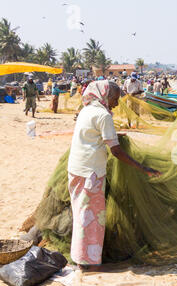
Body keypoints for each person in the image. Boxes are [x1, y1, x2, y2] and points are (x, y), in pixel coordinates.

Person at [67, 80, 161, 272]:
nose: (117, 103)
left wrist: (115, 135)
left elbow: (94, 135)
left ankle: (79, 259)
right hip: (90, 174)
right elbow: (116, 151)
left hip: (76, 169)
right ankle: (88, 263)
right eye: (115, 99)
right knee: (91, 219)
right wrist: (142, 167)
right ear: (104, 95)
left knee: (80, 214)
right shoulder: (103, 115)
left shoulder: (87, 110)